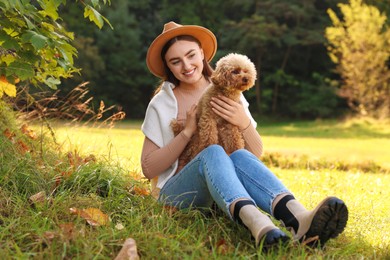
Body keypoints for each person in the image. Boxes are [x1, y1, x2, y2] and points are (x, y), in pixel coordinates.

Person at [141, 21, 348, 250]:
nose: (187, 65)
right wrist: (188, 131)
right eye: (175, 61)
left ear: (202, 53)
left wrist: (244, 123)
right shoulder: (161, 103)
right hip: (177, 194)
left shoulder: (231, 90)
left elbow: (254, 154)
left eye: (191, 55)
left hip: (220, 190)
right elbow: (148, 168)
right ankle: (257, 222)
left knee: (238, 155)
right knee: (214, 151)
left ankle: (299, 218)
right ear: (168, 66)